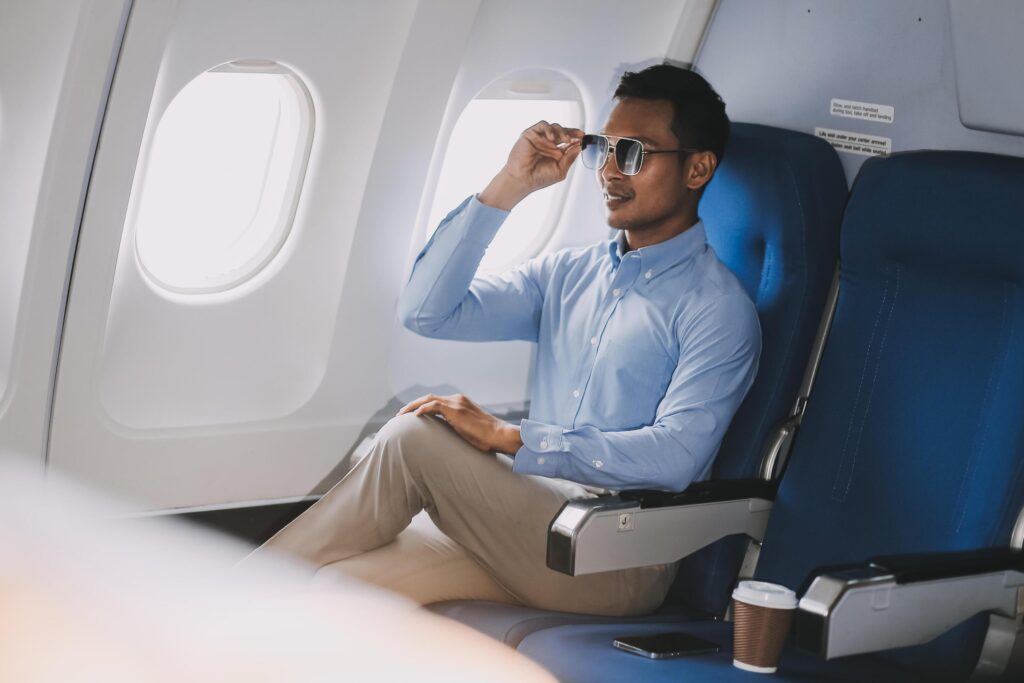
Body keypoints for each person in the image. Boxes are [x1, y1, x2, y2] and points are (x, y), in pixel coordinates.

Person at [246, 64, 761, 617]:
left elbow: (675, 458)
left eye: (631, 152)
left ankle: (208, 604)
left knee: (414, 437)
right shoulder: (571, 273)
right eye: (601, 148)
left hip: (613, 555)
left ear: (697, 169)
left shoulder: (718, 310)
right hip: (526, 520)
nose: (609, 170)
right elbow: (427, 312)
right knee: (336, 590)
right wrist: (509, 186)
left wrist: (509, 437)